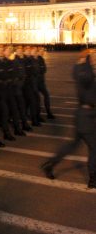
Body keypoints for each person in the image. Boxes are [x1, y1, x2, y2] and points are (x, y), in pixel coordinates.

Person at [41, 49, 96, 188]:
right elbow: (85, 77)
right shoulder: (83, 72)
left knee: (73, 145)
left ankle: (50, 164)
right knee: (94, 147)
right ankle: (93, 179)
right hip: (85, 116)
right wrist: (85, 62)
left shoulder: (89, 72)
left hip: (87, 116)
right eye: (93, 56)